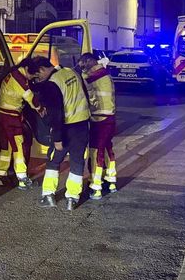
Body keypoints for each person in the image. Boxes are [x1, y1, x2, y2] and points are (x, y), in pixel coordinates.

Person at [26, 56, 91, 211]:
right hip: (82, 125)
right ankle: (72, 199)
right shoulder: (71, 72)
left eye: (37, 75)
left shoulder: (52, 84)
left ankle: (48, 195)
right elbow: (85, 96)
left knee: (54, 161)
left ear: (42, 69)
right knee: (77, 161)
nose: (38, 79)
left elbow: (56, 114)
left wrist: (57, 138)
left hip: (65, 128)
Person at [77, 53, 117, 200]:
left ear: (89, 61)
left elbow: (82, 80)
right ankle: (111, 180)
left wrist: (77, 71)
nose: (83, 68)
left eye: (83, 64)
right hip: (109, 117)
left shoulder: (95, 75)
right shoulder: (104, 73)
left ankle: (95, 186)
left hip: (100, 118)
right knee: (107, 148)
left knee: (95, 152)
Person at [0, 59, 39, 189]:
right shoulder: (20, 80)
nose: (32, 78)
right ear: (27, 69)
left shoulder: (12, 73)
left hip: (1, 113)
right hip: (11, 117)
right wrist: (40, 108)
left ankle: (1, 175)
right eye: (32, 75)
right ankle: (22, 178)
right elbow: (31, 99)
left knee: (6, 146)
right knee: (18, 146)